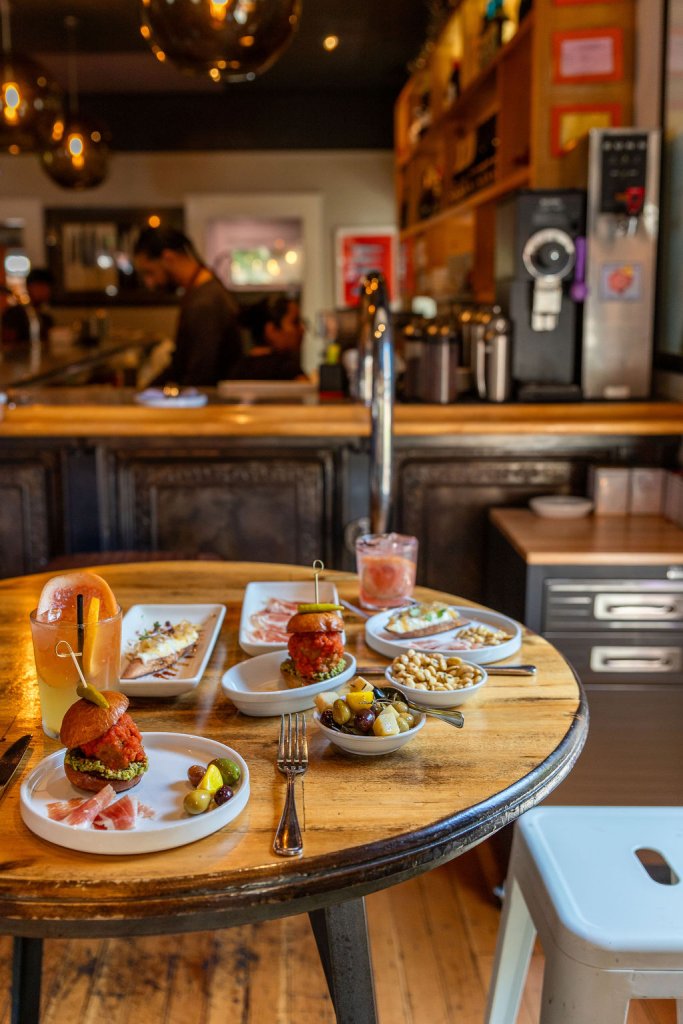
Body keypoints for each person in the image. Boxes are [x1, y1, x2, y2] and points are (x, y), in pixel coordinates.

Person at [133, 227, 242, 386]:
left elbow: (199, 375)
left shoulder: (205, 302)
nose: (150, 283)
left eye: (150, 272)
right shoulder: (204, 289)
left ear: (168, 258)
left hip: (213, 407)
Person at [230, 296, 307, 380]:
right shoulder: (286, 368)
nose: (302, 329)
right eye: (295, 322)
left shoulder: (238, 369)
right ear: (271, 330)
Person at [2, 268, 55, 346]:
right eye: (40, 286)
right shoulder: (15, 313)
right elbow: (7, 343)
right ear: (28, 287)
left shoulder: (46, 318)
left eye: (47, 287)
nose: (44, 291)